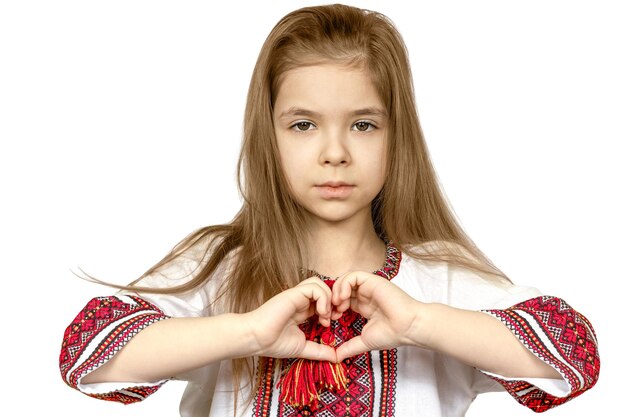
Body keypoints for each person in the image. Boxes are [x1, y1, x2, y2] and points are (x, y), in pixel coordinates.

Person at [59, 4, 599, 417]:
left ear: (397, 137)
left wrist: (419, 322)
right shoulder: (222, 266)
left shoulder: (437, 277)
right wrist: (246, 333)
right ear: (267, 136)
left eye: (363, 124)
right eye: (304, 124)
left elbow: (575, 358)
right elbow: (87, 355)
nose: (334, 152)